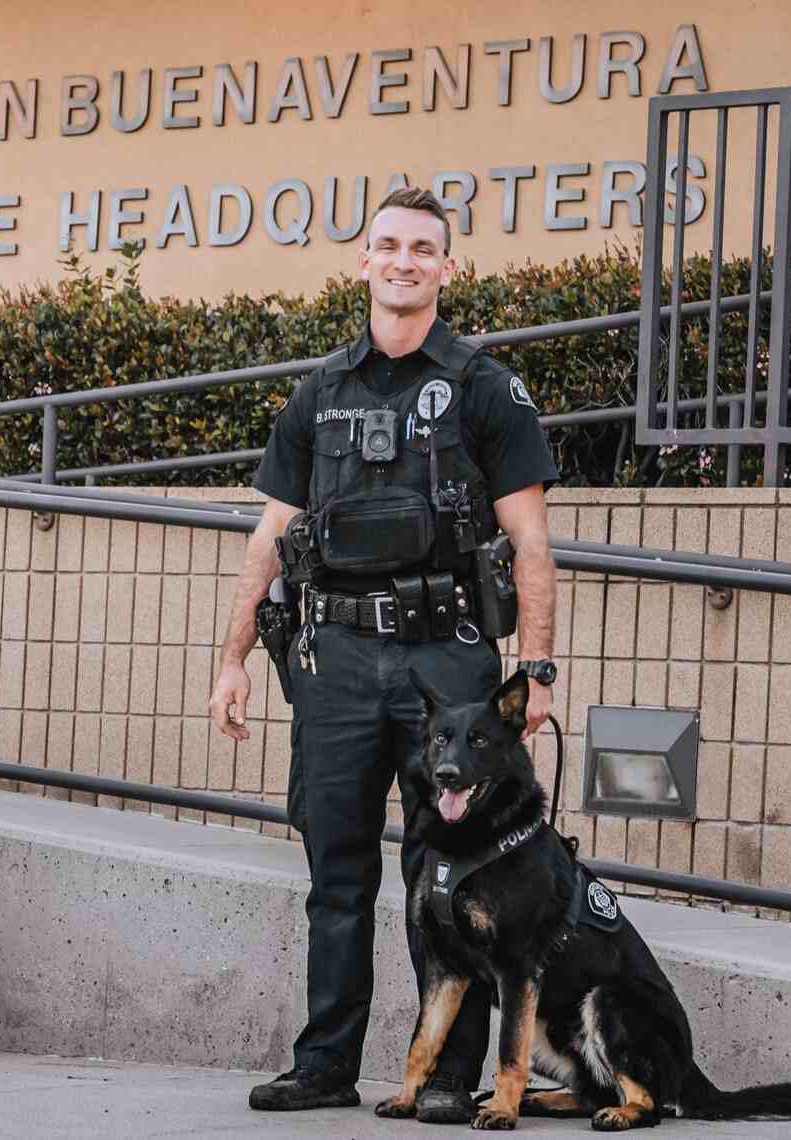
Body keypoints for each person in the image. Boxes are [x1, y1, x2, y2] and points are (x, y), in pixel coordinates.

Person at [207, 187, 562, 1121]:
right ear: (362, 262)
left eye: (422, 249)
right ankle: (325, 1063)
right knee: (338, 873)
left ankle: (446, 1077)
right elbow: (268, 535)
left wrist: (540, 671)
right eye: (387, 246)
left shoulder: (485, 388)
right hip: (334, 663)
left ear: (448, 269)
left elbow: (529, 540)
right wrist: (234, 658)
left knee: (453, 871)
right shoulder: (318, 393)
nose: (403, 261)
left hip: (447, 664)